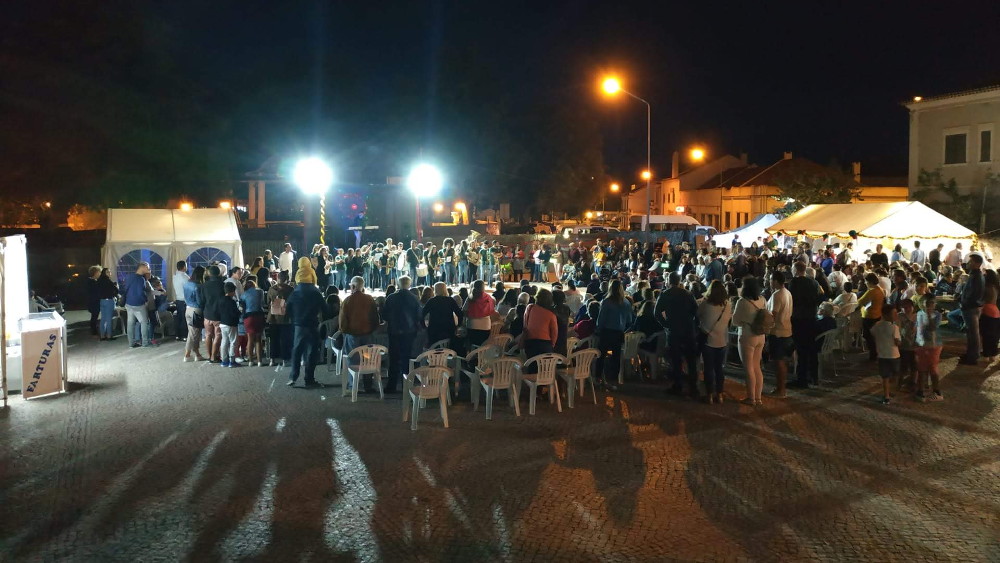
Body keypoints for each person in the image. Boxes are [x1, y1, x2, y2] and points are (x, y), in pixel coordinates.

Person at [654, 272, 699, 398]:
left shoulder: (665, 294)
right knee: (691, 360)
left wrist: (666, 324)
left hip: (674, 330)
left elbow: (657, 312)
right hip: (688, 329)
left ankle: (678, 385)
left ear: (669, 280)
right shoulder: (688, 294)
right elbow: (696, 311)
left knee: (676, 359)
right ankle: (693, 387)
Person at [284, 267, 328, 386]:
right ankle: (309, 379)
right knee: (312, 352)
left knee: (297, 351)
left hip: (299, 326)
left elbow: (287, 309)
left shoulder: (295, 292)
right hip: (313, 325)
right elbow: (325, 309)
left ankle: (293, 377)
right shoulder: (316, 292)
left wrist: (294, 319)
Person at [339, 276, 380, 392]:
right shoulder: (370, 299)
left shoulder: (347, 300)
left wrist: (344, 331)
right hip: (368, 334)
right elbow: (375, 317)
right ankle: (368, 385)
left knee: (353, 360)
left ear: (353, 286)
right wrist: (372, 329)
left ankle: (353, 385)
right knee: (368, 360)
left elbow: (342, 321)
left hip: (352, 334)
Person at [383, 275, 422, 393]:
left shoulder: (391, 297)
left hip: (394, 331)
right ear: (409, 285)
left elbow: (384, 314)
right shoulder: (414, 298)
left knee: (394, 358)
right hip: (409, 332)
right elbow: (419, 316)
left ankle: (391, 385)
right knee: (406, 358)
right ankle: (407, 385)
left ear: (398, 284)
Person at [732, 277, 766, 406]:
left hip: (747, 335)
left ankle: (751, 397)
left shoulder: (742, 302)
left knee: (748, 367)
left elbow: (735, 321)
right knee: (757, 366)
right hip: (761, 335)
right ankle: (758, 397)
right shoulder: (762, 300)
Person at [595, 280, 634, 389]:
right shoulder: (626, 302)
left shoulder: (607, 301)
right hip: (619, 332)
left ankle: (598, 378)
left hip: (607, 331)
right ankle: (613, 380)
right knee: (616, 357)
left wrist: (598, 329)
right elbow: (629, 321)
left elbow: (601, 319)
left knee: (601, 356)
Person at [698, 280, 732, 404]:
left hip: (708, 340)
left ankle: (709, 395)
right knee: (719, 368)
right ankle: (720, 394)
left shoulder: (705, 303)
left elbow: (698, 315)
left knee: (708, 368)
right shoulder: (727, 304)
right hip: (722, 340)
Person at [788, 262, 822, 387]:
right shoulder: (813, 282)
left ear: (796, 270)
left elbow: (792, 301)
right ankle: (814, 376)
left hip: (799, 319)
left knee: (801, 349)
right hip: (812, 318)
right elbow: (820, 296)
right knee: (811, 349)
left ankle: (801, 379)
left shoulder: (794, 283)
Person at [767, 271, 793, 397]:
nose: (769, 281)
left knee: (779, 362)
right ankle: (781, 388)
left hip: (778, 332)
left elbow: (773, 314)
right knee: (782, 361)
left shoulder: (777, 295)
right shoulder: (787, 293)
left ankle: (781, 389)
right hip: (786, 330)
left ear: (776, 281)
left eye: (771, 279)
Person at [915, 295, 944, 402]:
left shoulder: (937, 315)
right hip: (921, 344)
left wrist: (928, 315)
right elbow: (918, 329)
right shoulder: (919, 313)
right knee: (921, 369)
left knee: (933, 368)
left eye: (931, 303)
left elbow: (932, 328)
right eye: (926, 303)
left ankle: (937, 392)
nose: (928, 305)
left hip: (933, 345)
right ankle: (920, 391)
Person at [522, 288, 559, 373]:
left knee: (532, 367)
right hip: (545, 345)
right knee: (545, 369)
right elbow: (554, 333)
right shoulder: (551, 315)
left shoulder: (530, 307)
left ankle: (532, 384)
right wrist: (551, 346)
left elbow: (525, 325)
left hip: (530, 343)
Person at [959, 253, 985, 365]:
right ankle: (971, 354)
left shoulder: (977, 277)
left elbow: (973, 294)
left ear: (976, 263)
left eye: (970, 262)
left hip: (971, 308)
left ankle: (973, 357)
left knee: (973, 333)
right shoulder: (975, 275)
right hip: (971, 307)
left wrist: (964, 303)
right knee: (971, 332)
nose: (968, 263)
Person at [871, 305, 900, 405]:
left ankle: (886, 395)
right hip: (894, 354)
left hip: (882, 355)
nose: (896, 315)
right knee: (895, 374)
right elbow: (897, 342)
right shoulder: (894, 327)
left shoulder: (877, 325)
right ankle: (892, 391)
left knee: (885, 377)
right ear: (887, 315)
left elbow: (873, 334)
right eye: (894, 313)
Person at [122, 262, 153, 349]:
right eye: (147, 267)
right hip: (139, 304)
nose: (148, 269)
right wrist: (145, 301)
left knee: (130, 323)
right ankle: (145, 342)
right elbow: (140, 293)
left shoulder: (129, 277)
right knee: (144, 322)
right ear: (142, 267)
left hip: (129, 303)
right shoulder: (141, 279)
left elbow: (125, 288)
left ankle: (131, 343)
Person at [267, 271, 294, 368]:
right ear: (286, 279)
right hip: (286, 318)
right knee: (285, 340)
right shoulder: (290, 290)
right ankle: (284, 360)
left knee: (273, 339)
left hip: (273, 317)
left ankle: (272, 359)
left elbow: (267, 302)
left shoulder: (271, 289)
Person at [857, 273, 885, 362]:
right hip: (877, 315)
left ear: (870, 282)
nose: (865, 283)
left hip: (869, 316)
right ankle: (875, 353)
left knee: (868, 336)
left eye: (866, 281)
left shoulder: (871, 291)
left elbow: (860, 301)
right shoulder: (880, 289)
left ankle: (873, 354)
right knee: (874, 336)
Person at [240, 278, 266, 367]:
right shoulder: (260, 292)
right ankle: (260, 361)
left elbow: (242, 307)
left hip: (249, 317)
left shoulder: (243, 295)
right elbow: (262, 303)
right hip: (259, 316)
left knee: (250, 340)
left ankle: (250, 361)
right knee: (258, 339)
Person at [183, 266, 206, 362]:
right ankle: (187, 355)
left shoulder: (186, 284)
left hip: (188, 309)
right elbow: (200, 301)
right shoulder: (198, 286)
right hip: (196, 310)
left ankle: (197, 354)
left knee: (193, 333)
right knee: (193, 334)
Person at [464, 279, 496, 347]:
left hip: (472, 325)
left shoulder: (470, 298)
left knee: (473, 346)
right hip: (486, 326)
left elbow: (464, 311)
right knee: (482, 346)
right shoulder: (488, 297)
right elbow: (492, 311)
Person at [218, 282, 242, 368]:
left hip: (222, 324)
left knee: (224, 341)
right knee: (233, 342)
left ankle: (224, 361)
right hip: (231, 324)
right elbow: (234, 313)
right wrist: (240, 311)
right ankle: (232, 361)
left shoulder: (220, 300)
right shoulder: (231, 302)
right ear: (232, 291)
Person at [980, 269, 1000, 361]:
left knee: (986, 334)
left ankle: (987, 355)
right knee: (994, 335)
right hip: (995, 311)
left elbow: (982, 300)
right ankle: (993, 354)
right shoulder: (995, 287)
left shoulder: (986, 287)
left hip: (987, 310)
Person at [96, 267, 119, 341]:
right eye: (108, 272)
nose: (110, 273)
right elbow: (115, 291)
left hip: (102, 301)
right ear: (105, 273)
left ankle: (102, 336)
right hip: (109, 301)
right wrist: (116, 287)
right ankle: (109, 336)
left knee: (103, 319)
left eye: (110, 272)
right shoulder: (108, 281)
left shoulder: (99, 281)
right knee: (109, 319)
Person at [172, 260, 189, 342]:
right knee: (184, 319)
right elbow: (188, 289)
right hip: (184, 300)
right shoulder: (185, 277)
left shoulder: (174, 276)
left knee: (178, 318)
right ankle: (184, 335)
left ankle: (177, 335)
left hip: (178, 299)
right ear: (184, 267)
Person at [86, 266, 102, 337]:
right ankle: (94, 330)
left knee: (95, 316)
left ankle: (94, 329)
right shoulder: (91, 282)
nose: (100, 273)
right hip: (93, 302)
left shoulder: (93, 281)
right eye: (99, 272)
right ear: (95, 273)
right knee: (94, 316)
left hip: (94, 301)